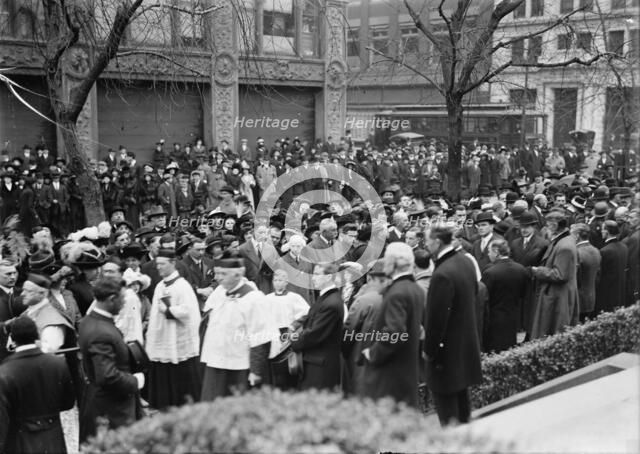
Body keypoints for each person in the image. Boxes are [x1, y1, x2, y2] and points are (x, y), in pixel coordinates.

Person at [423, 226, 482, 426]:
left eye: (428, 241)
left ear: (437, 242)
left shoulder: (442, 273)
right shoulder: (465, 261)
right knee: (464, 413)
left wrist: (429, 351)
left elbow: (436, 319)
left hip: (446, 354)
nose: (426, 244)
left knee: (450, 419)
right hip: (465, 345)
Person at [78, 279, 144, 443]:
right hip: (111, 408)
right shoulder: (102, 332)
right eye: (122, 299)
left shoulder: (89, 321)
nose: (123, 304)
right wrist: (136, 381)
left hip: (101, 401)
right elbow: (107, 376)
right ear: (111, 299)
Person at [360, 243, 424, 408]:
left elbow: (394, 332)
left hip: (392, 371)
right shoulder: (414, 288)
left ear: (393, 263)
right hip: (407, 366)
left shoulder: (397, 292)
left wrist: (373, 353)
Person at [200, 259, 274, 399]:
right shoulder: (221, 295)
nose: (217, 277)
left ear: (237, 275)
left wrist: (256, 371)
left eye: (223, 273)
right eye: (217, 273)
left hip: (240, 366)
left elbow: (261, 337)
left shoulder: (254, 298)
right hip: (216, 362)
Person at [0, 317, 75, 453]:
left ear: (12, 338)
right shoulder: (58, 364)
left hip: (21, 440)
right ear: (37, 335)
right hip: (53, 437)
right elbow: (68, 403)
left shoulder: (5, 371)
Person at [146, 249, 201, 409]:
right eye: (157, 264)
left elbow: (189, 312)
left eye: (162, 264)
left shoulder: (182, 286)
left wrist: (169, 311)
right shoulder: (159, 286)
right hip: (162, 337)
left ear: (173, 263)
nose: (159, 268)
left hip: (179, 337)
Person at [290, 263, 344, 391]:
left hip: (321, 366)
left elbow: (315, 333)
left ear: (328, 277)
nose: (313, 278)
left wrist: (294, 340)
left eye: (317, 274)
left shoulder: (331, 302)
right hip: (316, 362)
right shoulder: (326, 298)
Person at [341, 259, 388, 397]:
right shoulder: (394, 297)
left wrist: (344, 350)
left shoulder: (364, 300)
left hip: (361, 355)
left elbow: (349, 330)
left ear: (369, 277)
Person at [530, 211, 579, 339]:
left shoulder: (565, 246)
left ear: (555, 225)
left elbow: (560, 275)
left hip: (558, 296)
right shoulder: (562, 241)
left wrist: (538, 271)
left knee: (555, 333)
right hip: (555, 295)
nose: (546, 227)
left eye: (548, 224)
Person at [264, 269, 310, 389]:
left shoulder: (294, 297)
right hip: (272, 335)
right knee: (274, 366)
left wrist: (293, 325)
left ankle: (291, 389)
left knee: (289, 366)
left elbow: (306, 313)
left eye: (280, 280)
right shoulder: (267, 298)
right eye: (275, 280)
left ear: (286, 282)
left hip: (288, 334)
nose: (277, 283)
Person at [481, 239, 528, 352]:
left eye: (489, 251)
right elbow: (523, 293)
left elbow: (484, 298)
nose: (488, 254)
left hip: (493, 321)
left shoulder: (490, 272)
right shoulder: (521, 269)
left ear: (496, 252)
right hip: (513, 319)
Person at [595, 220, 629, 313]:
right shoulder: (624, 247)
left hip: (606, 292)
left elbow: (599, 275)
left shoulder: (604, 251)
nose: (601, 232)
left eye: (602, 229)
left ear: (607, 231)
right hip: (620, 291)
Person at [570, 223, 601, 321]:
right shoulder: (596, 250)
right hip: (591, 298)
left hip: (578, 299)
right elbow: (598, 275)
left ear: (577, 236)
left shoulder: (577, 252)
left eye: (571, 234)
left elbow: (575, 277)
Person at [0, 260, 24, 362]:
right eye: (8, 274)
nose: (13, 277)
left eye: (15, 273)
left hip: (23, 347)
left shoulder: (24, 293)